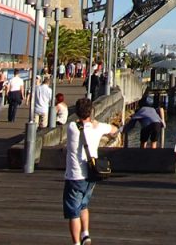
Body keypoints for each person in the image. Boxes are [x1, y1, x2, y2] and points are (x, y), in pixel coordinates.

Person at [64, 97, 118, 245]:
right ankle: (86, 234)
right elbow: (114, 130)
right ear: (91, 112)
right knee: (84, 205)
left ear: (76, 112)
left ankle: (76, 243)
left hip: (75, 175)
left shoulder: (72, 127)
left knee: (73, 212)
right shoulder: (98, 127)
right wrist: (95, 123)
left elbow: (76, 124)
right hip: (92, 173)